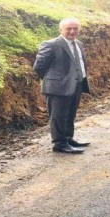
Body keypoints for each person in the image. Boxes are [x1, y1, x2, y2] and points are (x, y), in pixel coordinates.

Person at [33, 17, 91, 154]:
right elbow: (39, 66)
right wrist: (53, 81)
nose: (72, 31)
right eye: (69, 29)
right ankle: (59, 143)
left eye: (75, 29)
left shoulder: (79, 44)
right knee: (58, 116)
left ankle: (68, 138)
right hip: (57, 87)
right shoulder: (51, 44)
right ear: (61, 30)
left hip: (77, 84)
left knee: (70, 113)